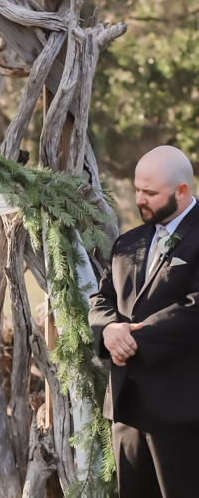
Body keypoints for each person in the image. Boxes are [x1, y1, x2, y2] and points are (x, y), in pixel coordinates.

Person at [89, 145, 199, 497]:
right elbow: (101, 299)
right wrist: (109, 329)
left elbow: (195, 306)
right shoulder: (128, 242)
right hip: (127, 408)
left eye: (150, 193)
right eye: (137, 189)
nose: (139, 199)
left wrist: (133, 339)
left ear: (182, 190)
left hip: (184, 410)